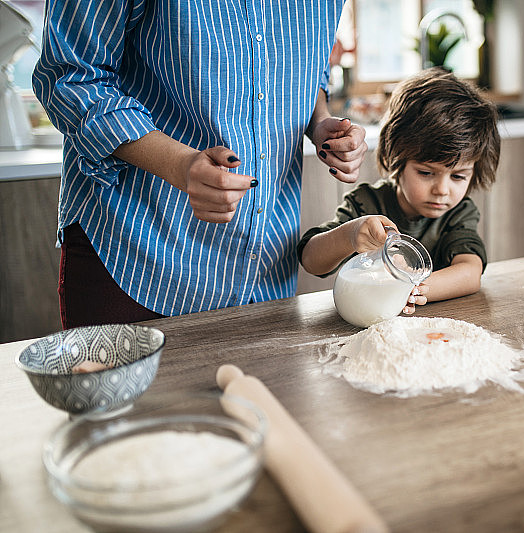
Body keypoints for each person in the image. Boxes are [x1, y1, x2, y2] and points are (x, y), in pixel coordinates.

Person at [32, 1, 367, 329]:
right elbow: (71, 77)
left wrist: (320, 122)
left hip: (266, 267)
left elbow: (309, 67)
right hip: (137, 253)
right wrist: (180, 165)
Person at [298, 68, 500, 313]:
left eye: (458, 176)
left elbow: (470, 273)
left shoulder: (459, 213)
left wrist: (412, 289)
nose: (442, 190)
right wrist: (350, 236)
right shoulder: (367, 203)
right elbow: (311, 261)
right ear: (395, 158)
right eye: (426, 173)